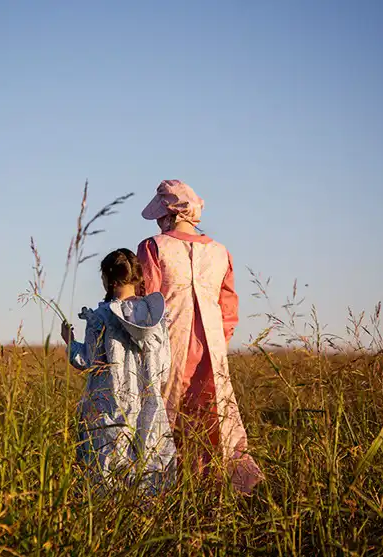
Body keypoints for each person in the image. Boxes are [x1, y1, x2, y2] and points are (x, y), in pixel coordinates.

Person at [137, 180, 263, 494]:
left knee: (163, 415)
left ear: (166, 212)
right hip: (213, 349)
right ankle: (218, 491)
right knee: (214, 416)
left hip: (168, 345)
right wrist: (217, 343)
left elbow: (144, 302)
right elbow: (228, 309)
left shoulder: (153, 247)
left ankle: (160, 492)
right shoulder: (221, 252)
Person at [61, 248, 176, 492]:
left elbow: (88, 360)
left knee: (107, 467)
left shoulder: (101, 317)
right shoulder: (155, 320)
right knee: (148, 465)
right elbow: (165, 366)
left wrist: (69, 342)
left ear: (107, 279)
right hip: (149, 402)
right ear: (136, 277)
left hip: (109, 404)